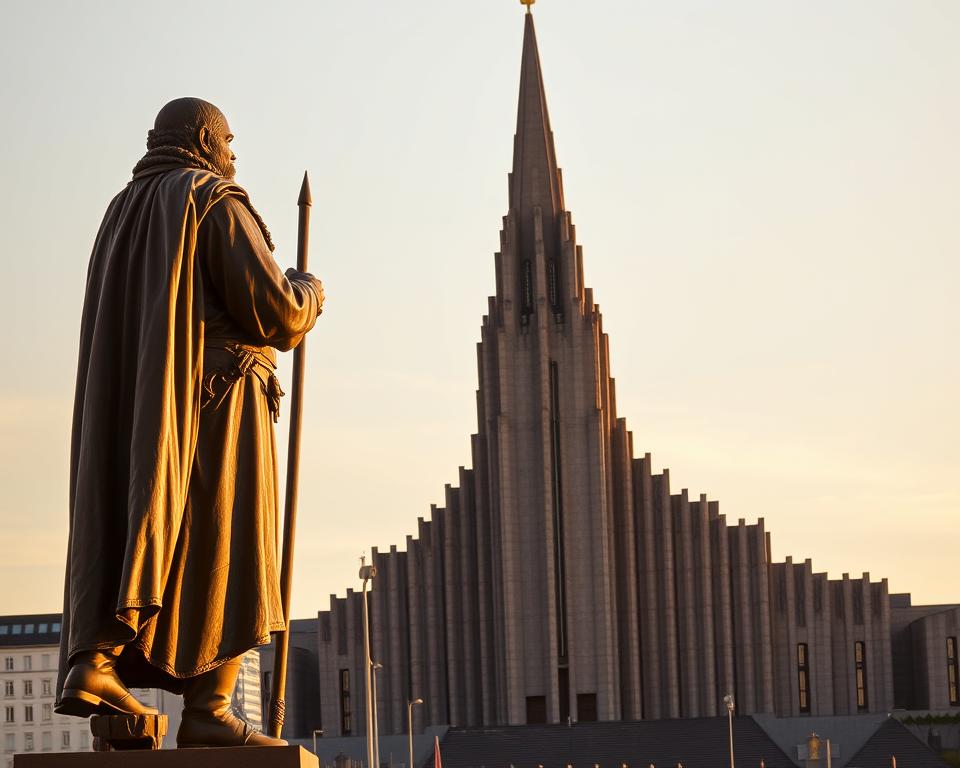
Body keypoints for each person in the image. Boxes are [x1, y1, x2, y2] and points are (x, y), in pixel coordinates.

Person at [55, 97, 324, 748]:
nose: (233, 155)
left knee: (148, 537)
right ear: (205, 140)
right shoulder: (213, 200)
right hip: (221, 410)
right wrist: (308, 291)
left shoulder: (122, 213)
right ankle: (210, 708)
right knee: (230, 544)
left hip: (146, 417)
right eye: (228, 141)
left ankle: (98, 665)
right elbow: (276, 312)